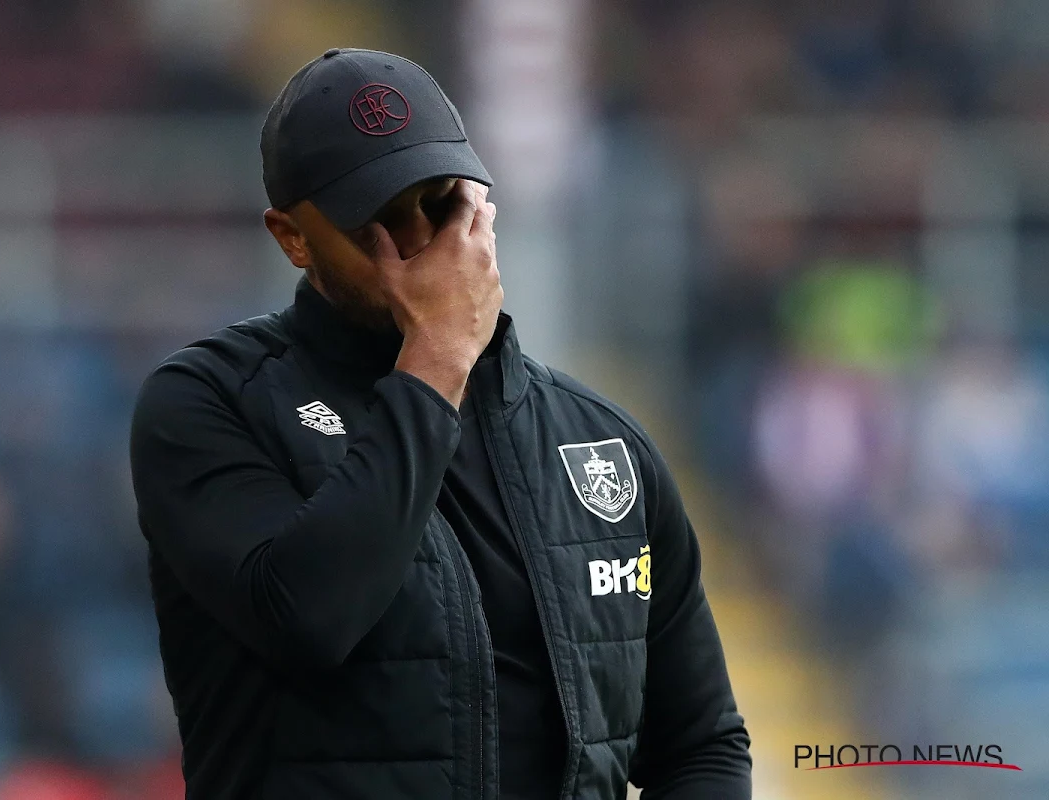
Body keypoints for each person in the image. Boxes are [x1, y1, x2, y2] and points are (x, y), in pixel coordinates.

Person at [129, 48, 751, 800]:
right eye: (377, 219)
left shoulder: (601, 442)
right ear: (292, 237)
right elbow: (308, 618)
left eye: (441, 200)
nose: (420, 238)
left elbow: (700, 746)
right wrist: (435, 358)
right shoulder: (209, 403)